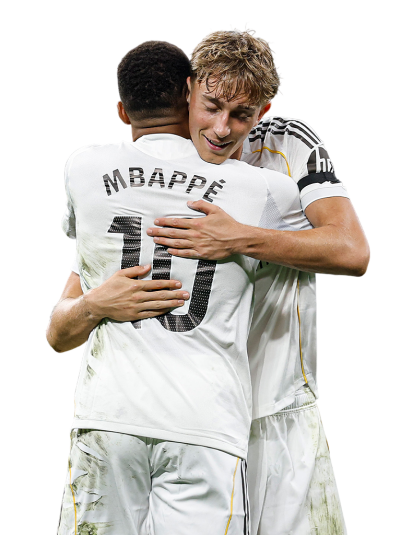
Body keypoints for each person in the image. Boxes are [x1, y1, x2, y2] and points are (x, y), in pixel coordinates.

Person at [48, 39, 314, 535]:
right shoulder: (262, 189)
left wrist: (93, 305)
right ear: (187, 95)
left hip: (108, 418)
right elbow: (349, 252)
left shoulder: (83, 168)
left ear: (122, 111)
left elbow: (56, 336)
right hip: (207, 427)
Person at [146, 29, 370, 534]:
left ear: (263, 111)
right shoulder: (155, 152)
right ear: (188, 90)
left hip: (277, 410)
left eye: (241, 115)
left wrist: (240, 238)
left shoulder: (289, 142)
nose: (221, 128)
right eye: (211, 106)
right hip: (187, 416)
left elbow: (352, 251)